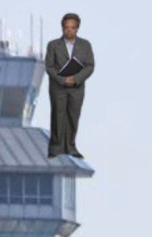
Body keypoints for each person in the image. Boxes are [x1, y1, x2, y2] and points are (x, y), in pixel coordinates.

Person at [45, 13, 94, 157]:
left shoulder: (85, 45)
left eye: (72, 28)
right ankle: (55, 148)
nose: (69, 31)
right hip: (58, 87)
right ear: (62, 28)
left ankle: (71, 147)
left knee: (73, 117)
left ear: (77, 28)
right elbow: (49, 66)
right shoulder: (53, 45)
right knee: (57, 116)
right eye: (66, 28)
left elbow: (90, 66)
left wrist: (76, 78)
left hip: (77, 88)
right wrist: (63, 79)